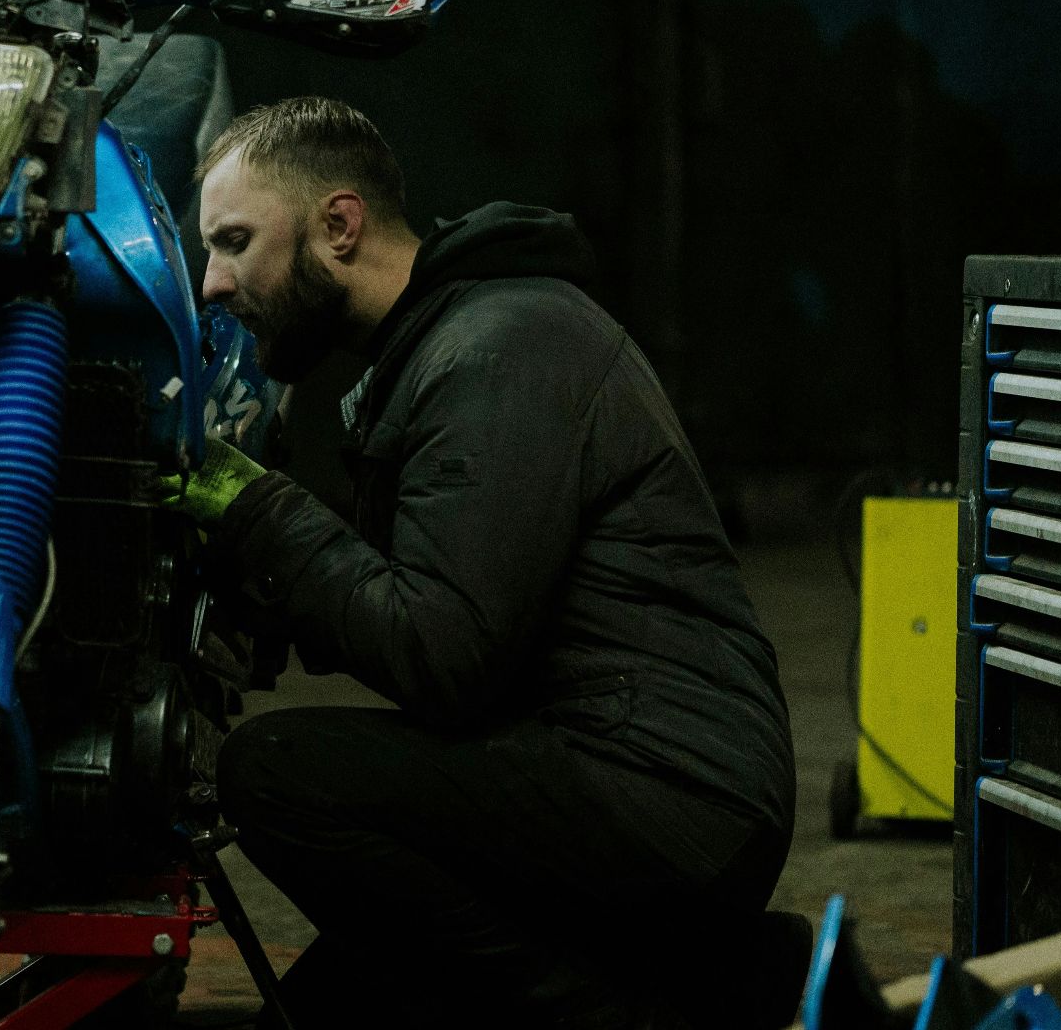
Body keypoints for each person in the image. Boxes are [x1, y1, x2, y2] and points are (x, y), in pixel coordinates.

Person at [161, 97, 804, 1028]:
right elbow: (412, 589)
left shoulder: (499, 346)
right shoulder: (441, 346)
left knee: (277, 772)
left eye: (232, 242)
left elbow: (442, 653)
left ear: (338, 226)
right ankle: (707, 975)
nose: (213, 284)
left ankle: (637, 1010)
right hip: (607, 774)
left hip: (673, 797)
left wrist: (259, 508)